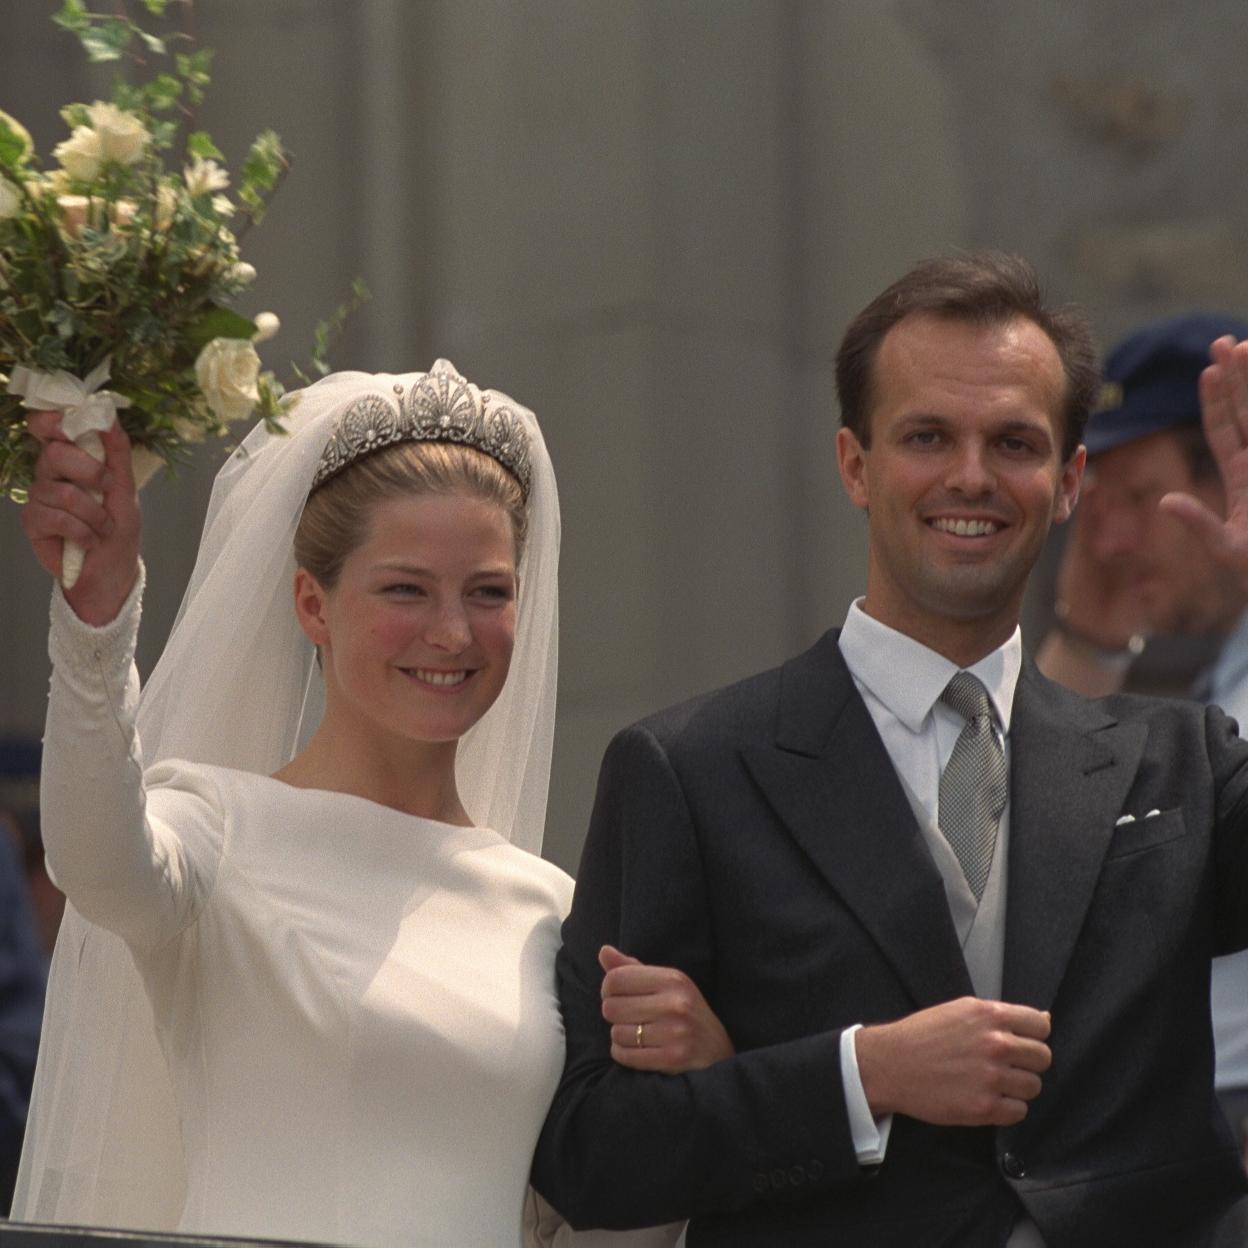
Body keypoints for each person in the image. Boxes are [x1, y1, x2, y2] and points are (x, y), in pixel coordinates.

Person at [531, 254, 1248, 1247]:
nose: (970, 476)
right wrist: (860, 1075)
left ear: (1071, 479)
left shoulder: (1185, 761)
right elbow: (590, 1154)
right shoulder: (691, 770)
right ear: (855, 464)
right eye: (926, 436)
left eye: (1013, 442)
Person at [8, 361, 691, 1246]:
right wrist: (95, 618)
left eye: (487, 591)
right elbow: (92, 857)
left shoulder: (551, 908)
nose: (453, 633)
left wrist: (683, 1093)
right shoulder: (215, 833)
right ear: (312, 603)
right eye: (406, 589)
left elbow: (587, 1229)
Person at [1035, 313, 1248, 1165]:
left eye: (1139, 497)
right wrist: (1088, 638)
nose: (1108, 541)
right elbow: (1025, 836)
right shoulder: (1211, 686)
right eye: (1098, 501)